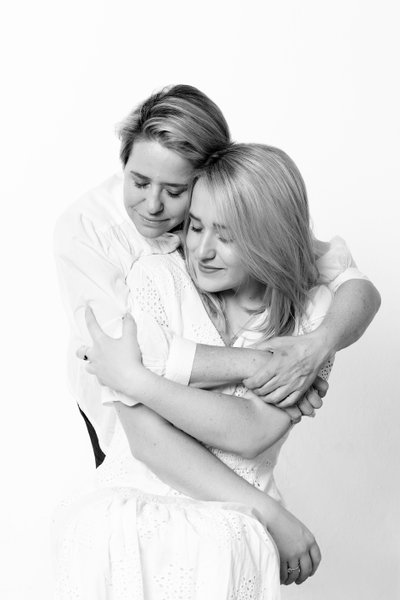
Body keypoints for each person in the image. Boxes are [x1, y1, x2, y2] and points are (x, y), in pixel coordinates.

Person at [54, 144, 378, 598]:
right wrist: (141, 383)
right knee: (111, 534)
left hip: (233, 525)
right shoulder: (155, 277)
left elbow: (251, 432)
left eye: (225, 236)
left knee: (223, 543)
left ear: (270, 238)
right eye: (195, 226)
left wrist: (138, 380)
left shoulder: (315, 314)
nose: (201, 250)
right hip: (133, 503)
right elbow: (146, 441)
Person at [54, 84, 381, 469]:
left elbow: (349, 280)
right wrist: (267, 365)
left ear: (207, 179)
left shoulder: (219, 209)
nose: (153, 205)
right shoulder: (86, 229)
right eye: (139, 182)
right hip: (111, 406)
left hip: (204, 406)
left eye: (176, 191)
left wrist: (316, 347)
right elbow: (131, 356)